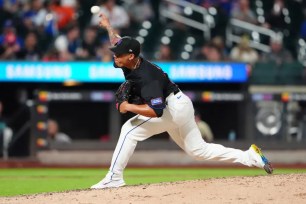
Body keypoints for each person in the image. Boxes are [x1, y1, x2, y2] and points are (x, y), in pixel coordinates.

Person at [90, 14, 273, 189]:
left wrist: (127, 106)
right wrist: (108, 26)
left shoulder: (146, 77)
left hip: (172, 109)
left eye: (118, 54)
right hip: (181, 104)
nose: (114, 55)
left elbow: (157, 111)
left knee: (129, 130)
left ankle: (114, 178)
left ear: (130, 56)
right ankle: (249, 157)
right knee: (198, 151)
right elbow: (117, 40)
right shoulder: (131, 59)